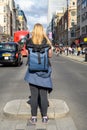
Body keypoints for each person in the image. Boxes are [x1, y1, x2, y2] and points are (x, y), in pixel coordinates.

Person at [24, 23, 53, 124]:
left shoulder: (28, 41)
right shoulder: (47, 41)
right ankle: (44, 117)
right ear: (42, 31)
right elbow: (50, 55)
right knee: (43, 96)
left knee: (34, 95)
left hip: (32, 72)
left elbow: (27, 54)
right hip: (44, 71)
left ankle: (34, 117)